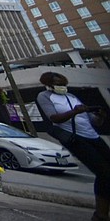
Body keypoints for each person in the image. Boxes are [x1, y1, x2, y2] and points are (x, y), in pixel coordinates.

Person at [37, 71, 109, 221]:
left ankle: (101, 212)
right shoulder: (45, 96)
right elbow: (54, 118)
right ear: (48, 85)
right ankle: (100, 214)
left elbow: (94, 122)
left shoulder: (72, 97)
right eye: (57, 84)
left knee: (106, 173)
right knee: (103, 172)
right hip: (75, 138)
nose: (61, 87)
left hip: (92, 136)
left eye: (63, 84)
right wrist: (74, 112)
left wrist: (100, 116)